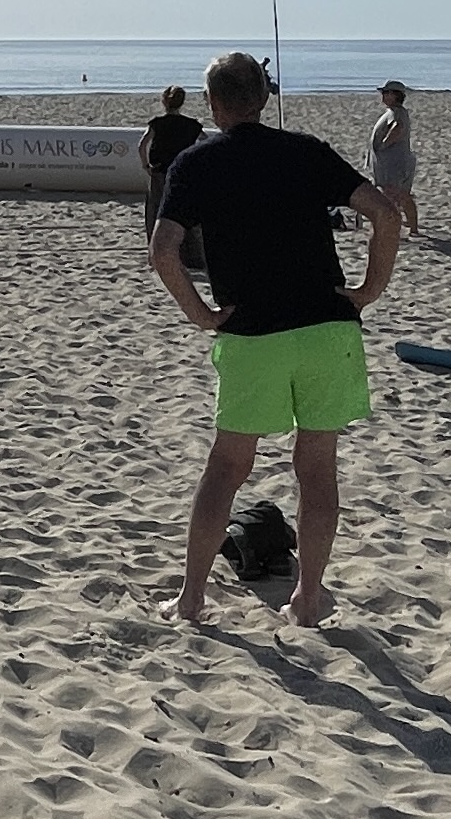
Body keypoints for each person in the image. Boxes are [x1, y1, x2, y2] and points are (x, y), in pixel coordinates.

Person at [151, 50, 400, 626]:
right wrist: (370, 289)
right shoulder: (306, 150)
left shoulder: (195, 162)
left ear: (212, 103)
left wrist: (200, 313)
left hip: (252, 333)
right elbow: (386, 215)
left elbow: (162, 251)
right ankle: (308, 598)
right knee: (317, 468)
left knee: (226, 469)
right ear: (264, 98)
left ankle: (191, 599)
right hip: (325, 327)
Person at [140, 86, 205, 234]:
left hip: (160, 170)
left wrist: (146, 165)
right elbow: (205, 140)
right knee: (183, 207)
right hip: (184, 171)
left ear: (164, 102)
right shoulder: (192, 125)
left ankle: (155, 238)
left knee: (156, 208)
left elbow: (142, 145)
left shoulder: (157, 123)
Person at [364, 82, 418, 236]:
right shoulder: (392, 111)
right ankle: (412, 227)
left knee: (395, 195)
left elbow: (398, 127)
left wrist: (383, 144)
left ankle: (400, 229)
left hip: (394, 162)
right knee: (399, 195)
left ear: (395, 95)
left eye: (386, 93)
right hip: (389, 163)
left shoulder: (397, 112)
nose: (383, 96)